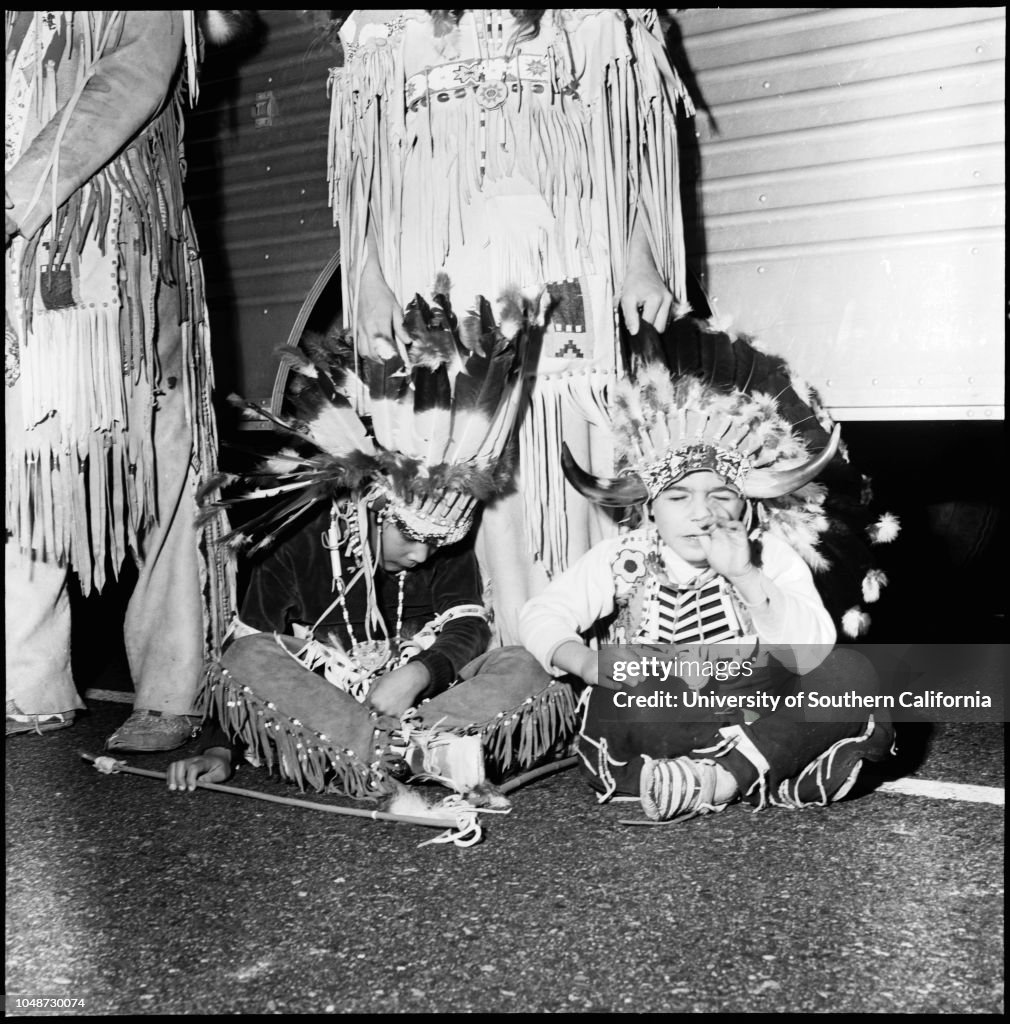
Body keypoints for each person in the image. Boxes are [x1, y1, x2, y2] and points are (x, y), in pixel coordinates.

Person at [326, 9, 694, 644]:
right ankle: (508, 652)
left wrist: (641, 262)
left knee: (579, 462)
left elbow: (631, 149)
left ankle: (595, 647)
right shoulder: (386, 26)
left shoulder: (591, 18)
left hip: (566, 268)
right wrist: (368, 282)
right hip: (447, 278)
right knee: (471, 464)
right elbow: (366, 173)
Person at [168, 294, 579, 802]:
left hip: (427, 705)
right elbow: (247, 659)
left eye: (437, 543)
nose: (424, 556)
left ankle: (396, 752)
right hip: (328, 706)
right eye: (412, 537)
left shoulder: (439, 547)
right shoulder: (299, 543)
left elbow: (468, 627)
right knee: (247, 655)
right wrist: (217, 750)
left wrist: (419, 672)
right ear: (372, 511)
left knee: (522, 664)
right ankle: (401, 754)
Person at [518, 318, 895, 822]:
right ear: (650, 508)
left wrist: (746, 577)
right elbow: (540, 614)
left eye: (720, 495)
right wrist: (586, 662)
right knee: (621, 695)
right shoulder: (622, 556)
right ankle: (724, 774)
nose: (701, 514)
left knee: (850, 673)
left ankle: (720, 779)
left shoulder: (768, 555)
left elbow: (813, 651)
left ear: (746, 508)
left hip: (756, 716)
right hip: (656, 717)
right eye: (678, 498)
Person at [4, 11, 241, 750]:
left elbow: (130, 80)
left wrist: (12, 198)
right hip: (32, 270)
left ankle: (175, 688)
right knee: (33, 461)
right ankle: (27, 681)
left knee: (163, 466)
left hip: (123, 253)